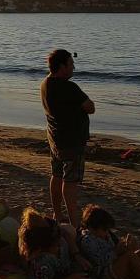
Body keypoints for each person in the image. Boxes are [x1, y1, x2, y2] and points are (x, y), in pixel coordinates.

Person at [41, 49, 95, 228]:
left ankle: (57, 214)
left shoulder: (45, 84)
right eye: (71, 64)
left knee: (56, 175)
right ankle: (74, 223)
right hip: (71, 142)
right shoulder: (68, 87)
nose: (73, 67)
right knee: (70, 182)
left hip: (55, 139)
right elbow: (90, 107)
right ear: (62, 66)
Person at [79, 204, 140, 279]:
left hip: (115, 263)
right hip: (104, 273)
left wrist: (125, 246)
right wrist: (116, 251)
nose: (107, 232)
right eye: (104, 230)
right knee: (130, 256)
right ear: (92, 228)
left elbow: (115, 248)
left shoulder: (106, 235)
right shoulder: (88, 240)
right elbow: (101, 262)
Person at [18, 207, 89, 279]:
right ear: (43, 249)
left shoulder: (53, 233)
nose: (59, 246)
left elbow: (64, 232)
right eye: (56, 245)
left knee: (69, 229)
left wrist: (76, 254)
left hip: (58, 258)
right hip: (49, 266)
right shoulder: (42, 263)